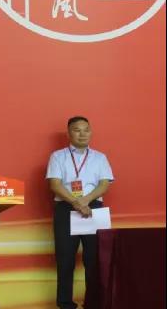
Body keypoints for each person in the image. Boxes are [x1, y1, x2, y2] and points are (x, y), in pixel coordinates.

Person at [46, 116, 114, 309]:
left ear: (91, 132)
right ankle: (65, 304)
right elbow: (55, 184)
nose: (82, 134)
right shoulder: (58, 156)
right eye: (77, 130)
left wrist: (85, 200)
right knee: (65, 259)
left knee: (94, 259)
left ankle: (94, 302)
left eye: (86, 130)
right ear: (68, 133)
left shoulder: (100, 157)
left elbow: (104, 184)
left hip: (93, 209)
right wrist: (76, 202)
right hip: (66, 208)